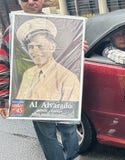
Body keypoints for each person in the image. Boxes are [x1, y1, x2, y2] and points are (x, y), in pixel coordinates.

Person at [0, 0, 86, 160]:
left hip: (64, 96)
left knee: (69, 129)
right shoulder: (10, 32)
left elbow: (72, 55)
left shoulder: (63, 26)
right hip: (36, 103)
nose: (31, 1)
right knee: (46, 136)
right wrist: (4, 99)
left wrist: (79, 48)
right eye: (30, 47)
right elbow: (3, 65)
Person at [15, 18, 80, 101]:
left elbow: (71, 110)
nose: (35, 51)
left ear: (52, 47)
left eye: (40, 46)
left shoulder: (68, 78)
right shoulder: (28, 74)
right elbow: (20, 104)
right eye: (31, 47)